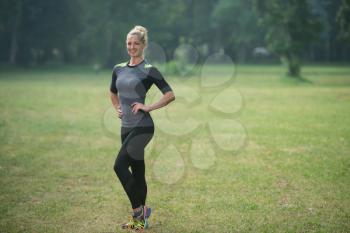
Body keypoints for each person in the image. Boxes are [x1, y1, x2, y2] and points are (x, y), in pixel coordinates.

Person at [109, 25, 175, 230]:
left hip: (143, 126)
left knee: (119, 166)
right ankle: (140, 221)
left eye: (136, 43)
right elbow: (112, 91)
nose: (132, 47)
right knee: (137, 171)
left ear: (143, 45)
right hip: (126, 126)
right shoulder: (118, 68)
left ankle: (138, 210)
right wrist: (117, 107)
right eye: (129, 43)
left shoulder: (149, 70)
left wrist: (148, 106)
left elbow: (170, 94)